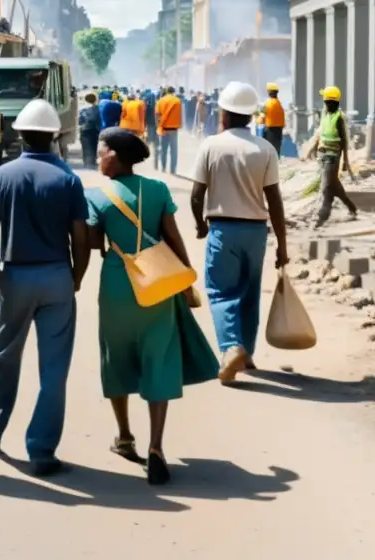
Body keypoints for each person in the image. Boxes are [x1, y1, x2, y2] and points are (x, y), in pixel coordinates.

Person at [86, 128, 218, 485]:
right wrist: (186, 280)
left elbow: (95, 242)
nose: (98, 157)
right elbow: (173, 237)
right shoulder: (158, 190)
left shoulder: (96, 195)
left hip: (117, 283)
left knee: (115, 357)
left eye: (101, 151)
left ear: (115, 155)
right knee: (157, 359)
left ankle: (124, 437)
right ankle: (156, 446)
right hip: (158, 284)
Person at [0, 99, 91, 476]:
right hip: (57, 275)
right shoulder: (69, 180)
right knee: (54, 368)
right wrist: (76, 278)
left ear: (20, 134)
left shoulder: (1, 176)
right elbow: (81, 238)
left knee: (2, 356)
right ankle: (41, 451)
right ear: (54, 135)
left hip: (16, 275)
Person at [189, 81, 289, 384]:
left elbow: (196, 195)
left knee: (221, 293)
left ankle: (231, 346)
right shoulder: (266, 149)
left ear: (225, 114)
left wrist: (200, 225)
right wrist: (282, 245)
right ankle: (246, 354)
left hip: (223, 228)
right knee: (249, 293)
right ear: (250, 115)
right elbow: (274, 201)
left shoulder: (211, 146)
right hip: (256, 232)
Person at [315, 86, 358, 228]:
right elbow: (321, 133)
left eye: (328, 102)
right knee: (334, 186)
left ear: (335, 103)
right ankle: (352, 208)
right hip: (323, 155)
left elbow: (344, 140)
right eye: (325, 102)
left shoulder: (339, 118)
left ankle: (322, 216)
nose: (326, 104)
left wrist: (345, 160)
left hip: (333, 157)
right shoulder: (325, 114)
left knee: (327, 187)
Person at [155, 87, 182, 175]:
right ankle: (173, 170)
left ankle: (163, 168)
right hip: (174, 129)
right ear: (173, 92)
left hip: (163, 128)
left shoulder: (160, 101)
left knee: (163, 149)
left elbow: (157, 114)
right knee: (174, 150)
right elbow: (180, 115)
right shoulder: (178, 101)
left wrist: (159, 125)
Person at [78, 92, 101, 167]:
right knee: (94, 145)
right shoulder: (97, 108)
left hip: (84, 129)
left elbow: (80, 120)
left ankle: (87, 162)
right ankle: (93, 161)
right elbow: (99, 119)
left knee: (85, 146)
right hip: (95, 129)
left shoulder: (82, 108)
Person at [262, 83, 285, 156]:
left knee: (270, 145)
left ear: (270, 92)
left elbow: (263, 115)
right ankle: (276, 159)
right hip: (279, 127)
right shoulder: (278, 103)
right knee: (277, 145)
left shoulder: (268, 103)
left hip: (270, 128)